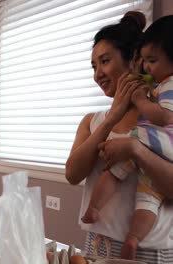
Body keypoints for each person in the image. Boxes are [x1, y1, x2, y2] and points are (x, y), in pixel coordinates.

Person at [65, 11, 173, 264]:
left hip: (153, 252)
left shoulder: (164, 117)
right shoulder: (92, 121)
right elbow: (72, 174)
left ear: (135, 61)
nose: (97, 74)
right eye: (93, 66)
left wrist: (137, 150)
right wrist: (112, 118)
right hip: (97, 246)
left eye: (104, 61)